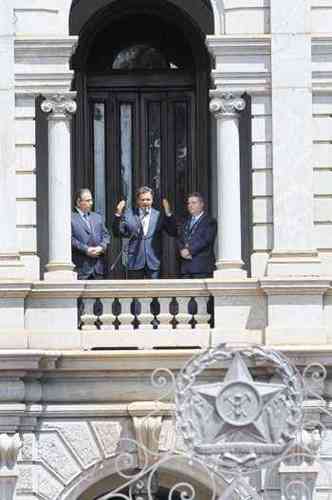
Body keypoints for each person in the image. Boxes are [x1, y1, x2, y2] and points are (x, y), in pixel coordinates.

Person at [112, 186, 176, 279]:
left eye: (148, 199)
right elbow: (117, 233)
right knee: (136, 293)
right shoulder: (129, 215)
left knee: (153, 292)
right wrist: (118, 214)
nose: (145, 202)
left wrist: (168, 214)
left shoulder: (158, 215)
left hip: (153, 262)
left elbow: (172, 232)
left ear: (152, 200)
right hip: (135, 261)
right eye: (142, 200)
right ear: (138, 201)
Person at [71, 188, 111, 279]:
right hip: (81, 268)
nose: (91, 203)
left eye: (91, 200)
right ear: (78, 201)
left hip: (98, 268)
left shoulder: (97, 217)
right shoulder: (71, 218)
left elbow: (106, 236)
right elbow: (70, 239)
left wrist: (101, 247)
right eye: (88, 201)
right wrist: (86, 249)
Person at [177, 192, 217, 278]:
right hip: (186, 268)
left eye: (194, 203)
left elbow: (206, 240)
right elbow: (180, 238)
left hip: (201, 267)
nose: (190, 205)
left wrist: (189, 250)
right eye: (189, 203)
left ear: (201, 204)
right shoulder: (185, 222)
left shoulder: (210, 221)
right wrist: (182, 250)